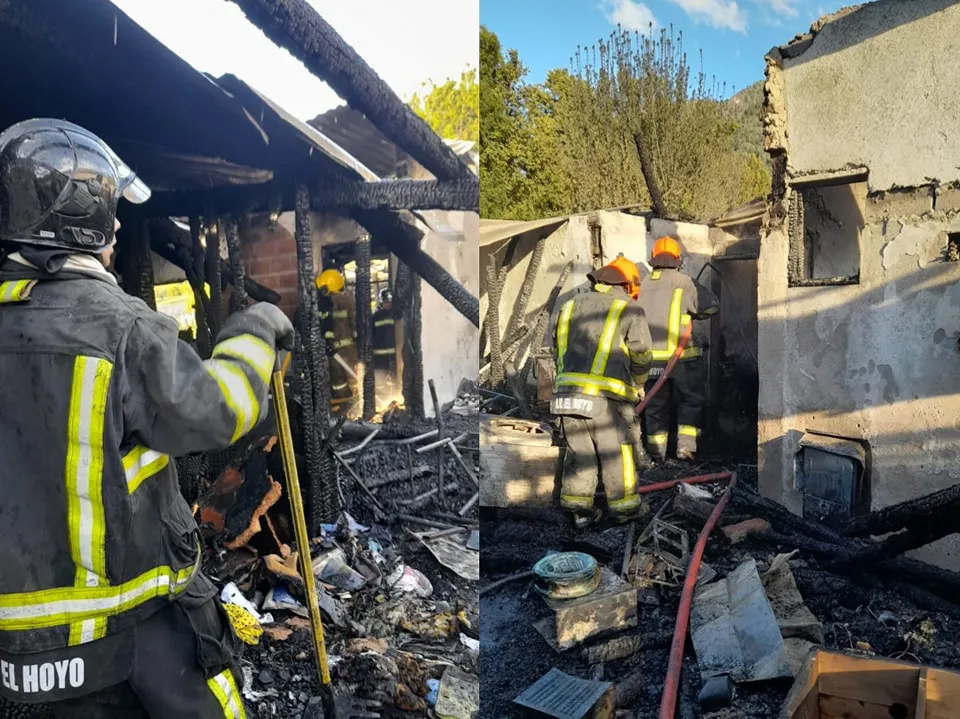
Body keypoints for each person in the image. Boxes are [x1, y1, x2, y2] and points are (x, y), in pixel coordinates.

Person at [0, 118, 294, 718]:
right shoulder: (121, 330)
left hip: (34, 650)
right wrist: (257, 330)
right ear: (84, 222)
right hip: (139, 621)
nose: (116, 235)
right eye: (112, 221)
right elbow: (221, 411)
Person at [551, 256, 654, 529]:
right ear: (626, 284)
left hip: (564, 397)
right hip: (604, 401)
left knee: (579, 453)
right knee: (616, 453)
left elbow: (555, 347)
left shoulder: (568, 305)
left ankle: (580, 512)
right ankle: (625, 511)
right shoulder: (629, 308)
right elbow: (641, 353)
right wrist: (639, 383)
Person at [638, 237, 719, 462]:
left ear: (653, 260)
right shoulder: (685, 282)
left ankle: (656, 454)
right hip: (683, 359)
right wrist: (693, 313)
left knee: (654, 406)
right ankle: (685, 449)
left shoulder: (641, 284)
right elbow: (712, 306)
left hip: (651, 360)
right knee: (690, 402)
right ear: (677, 260)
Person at [314, 268, 357, 411]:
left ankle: (344, 409)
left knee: (338, 382)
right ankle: (355, 408)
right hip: (347, 351)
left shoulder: (323, 303)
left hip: (333, 351)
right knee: (353, 381)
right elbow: (355, 325)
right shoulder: (348, 300)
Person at [372, 288, 396, 374]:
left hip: (394, 356)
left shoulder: (395, 315)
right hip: (380, 357)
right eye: (386, 302)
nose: (388, 304)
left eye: (389, 302)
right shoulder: (376, 316)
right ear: (381, 302)